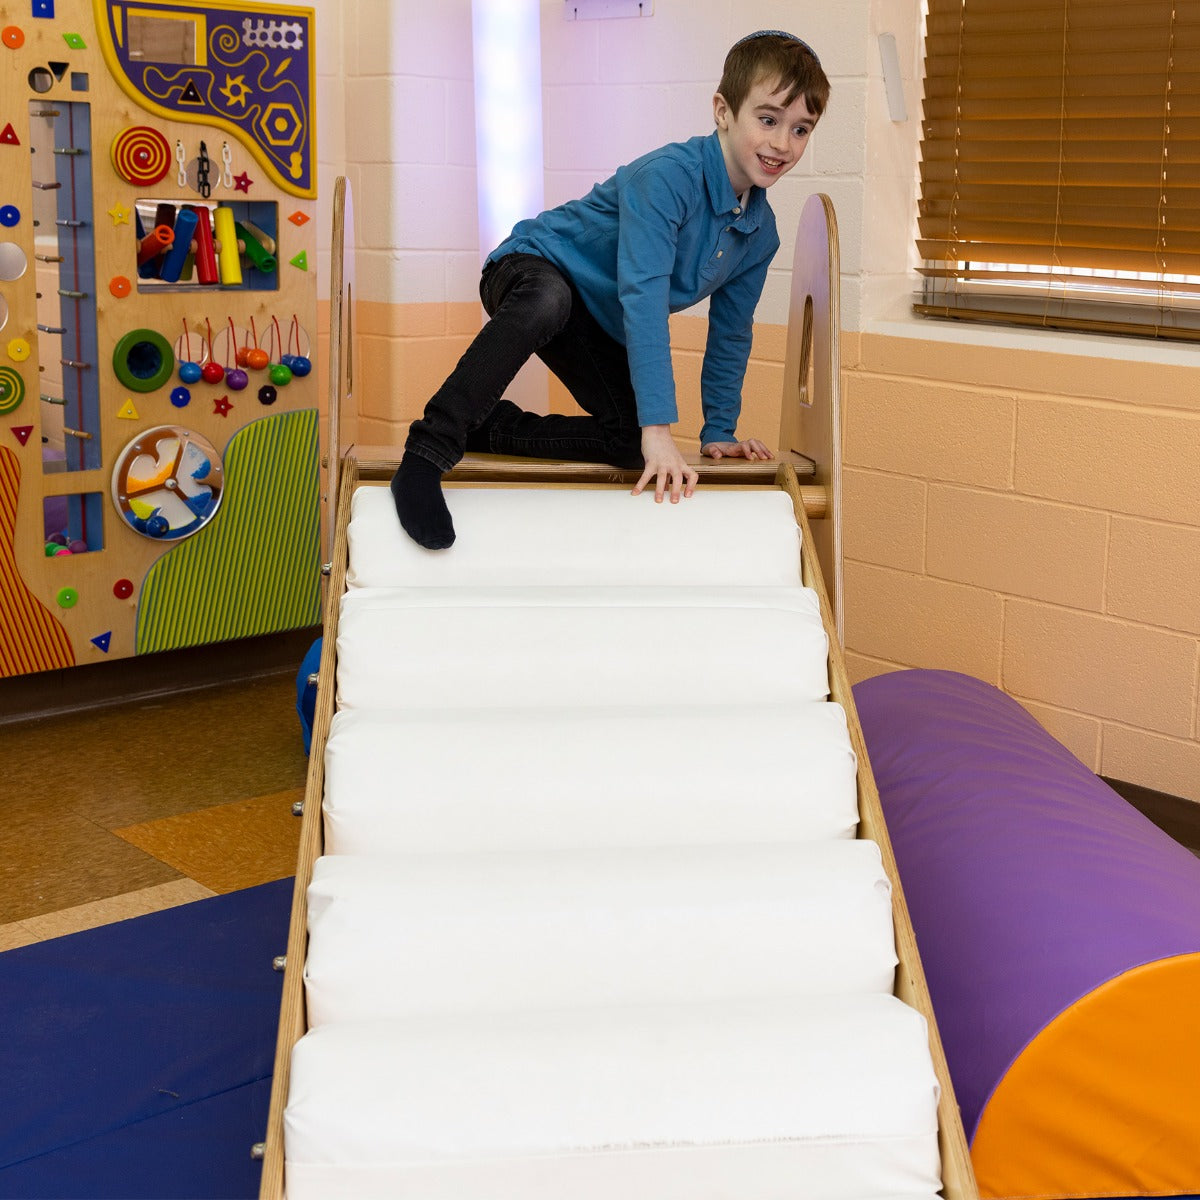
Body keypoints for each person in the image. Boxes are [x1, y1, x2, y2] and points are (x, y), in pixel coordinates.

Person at [392, 29, 829, 549]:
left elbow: (731, 334)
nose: (782, 144)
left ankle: (487, 428)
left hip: (594, 317)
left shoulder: (759, 234)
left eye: (801, 129)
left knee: (629, 441)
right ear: (723, 111)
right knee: (550, 300)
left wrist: (718, 432)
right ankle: (428, 450)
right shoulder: (668, 178)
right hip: (533, 265)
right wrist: (661, 428)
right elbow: (643, 300)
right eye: (768, 120)